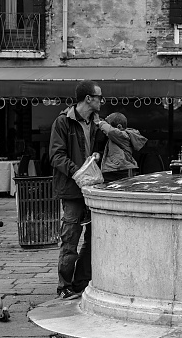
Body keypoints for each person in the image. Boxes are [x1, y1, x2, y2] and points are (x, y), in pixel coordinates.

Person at [49, 80, 106, 300]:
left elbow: (98, 148)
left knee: (93, 239)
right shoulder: (63, 121)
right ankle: (64, 286)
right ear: (88, 98)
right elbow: (56, 156)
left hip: (92, 189)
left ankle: (81, 282)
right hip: (72, 190)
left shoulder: (96, 123)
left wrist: (97, 154)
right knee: (70, 238)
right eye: (99, 97)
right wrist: (78, 172)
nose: (102, 101)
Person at [97, 112, 147, 182]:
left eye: (108, 125)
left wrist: (101, 123)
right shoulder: (116, 138)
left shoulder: (124, 136)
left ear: (119, 127)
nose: (104, 132)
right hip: (113, 169)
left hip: (123, 170)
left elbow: (110, 131)